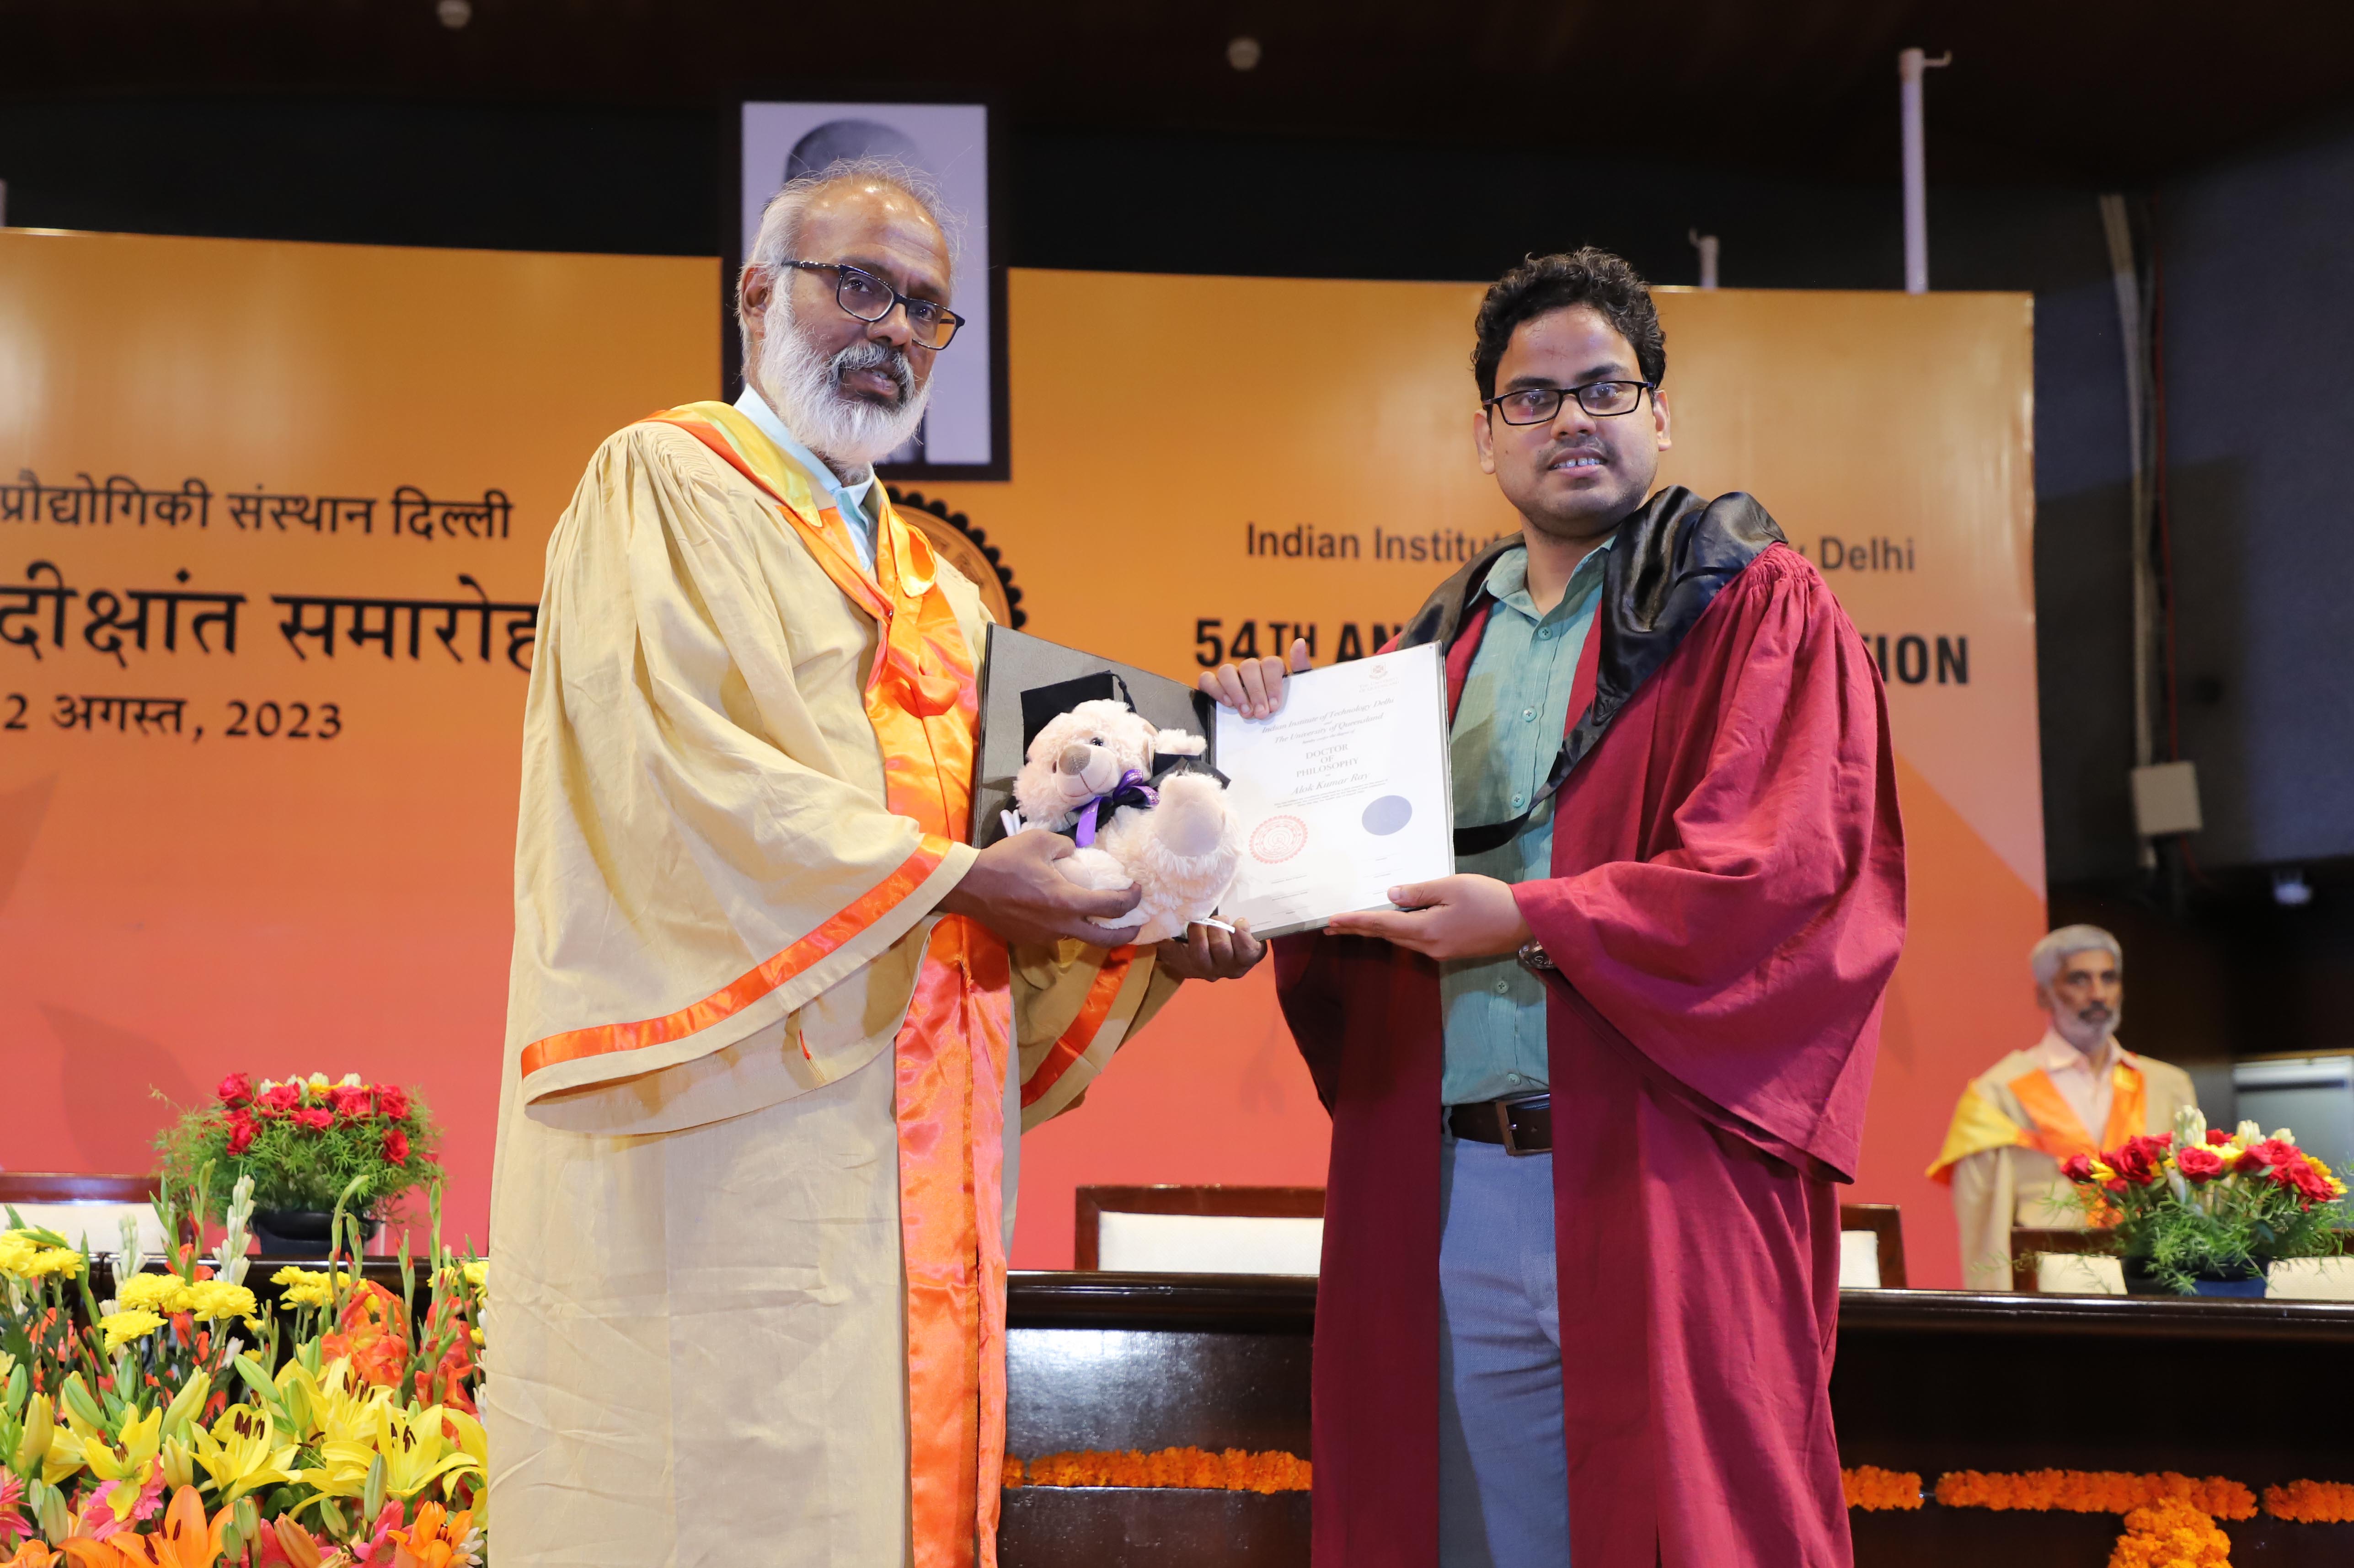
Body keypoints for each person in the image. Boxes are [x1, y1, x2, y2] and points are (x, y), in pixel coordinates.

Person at [486, 157, 1264, 1568]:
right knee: (722, 1496)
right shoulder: (663, 479)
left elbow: (1033, 844)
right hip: (728, 1139)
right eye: (860, 285)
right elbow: (679, 780)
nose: (894, 327)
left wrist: (1166, 903)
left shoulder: (946, 594)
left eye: (925, 307)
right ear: (757, 294)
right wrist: (962, 879)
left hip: (910, 1158)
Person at [1203, 248, 1906, 1568]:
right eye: (1532, 399)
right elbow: (1347, 917)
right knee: (1475, 1537)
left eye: (1603, 389)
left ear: (1660, 414)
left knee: (1689, 1529)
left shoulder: (1750, 603)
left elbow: (1784, 874)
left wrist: (1528, 917)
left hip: (1654, 1173)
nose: (1570, 420)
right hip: (1451, 1182)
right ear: (1484, 434)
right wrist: (1262, 797)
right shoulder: (1430, 654)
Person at [1929, 924, 2197, 1291]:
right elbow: (1984, 1231)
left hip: (2154, 1286)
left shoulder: (2168, 1085)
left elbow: (2196, 1207)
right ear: (2043, 995)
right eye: (2079, 979)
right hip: (2050, 1290)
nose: (2098, 994)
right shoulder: (1996, 1095)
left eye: (2109, 978)